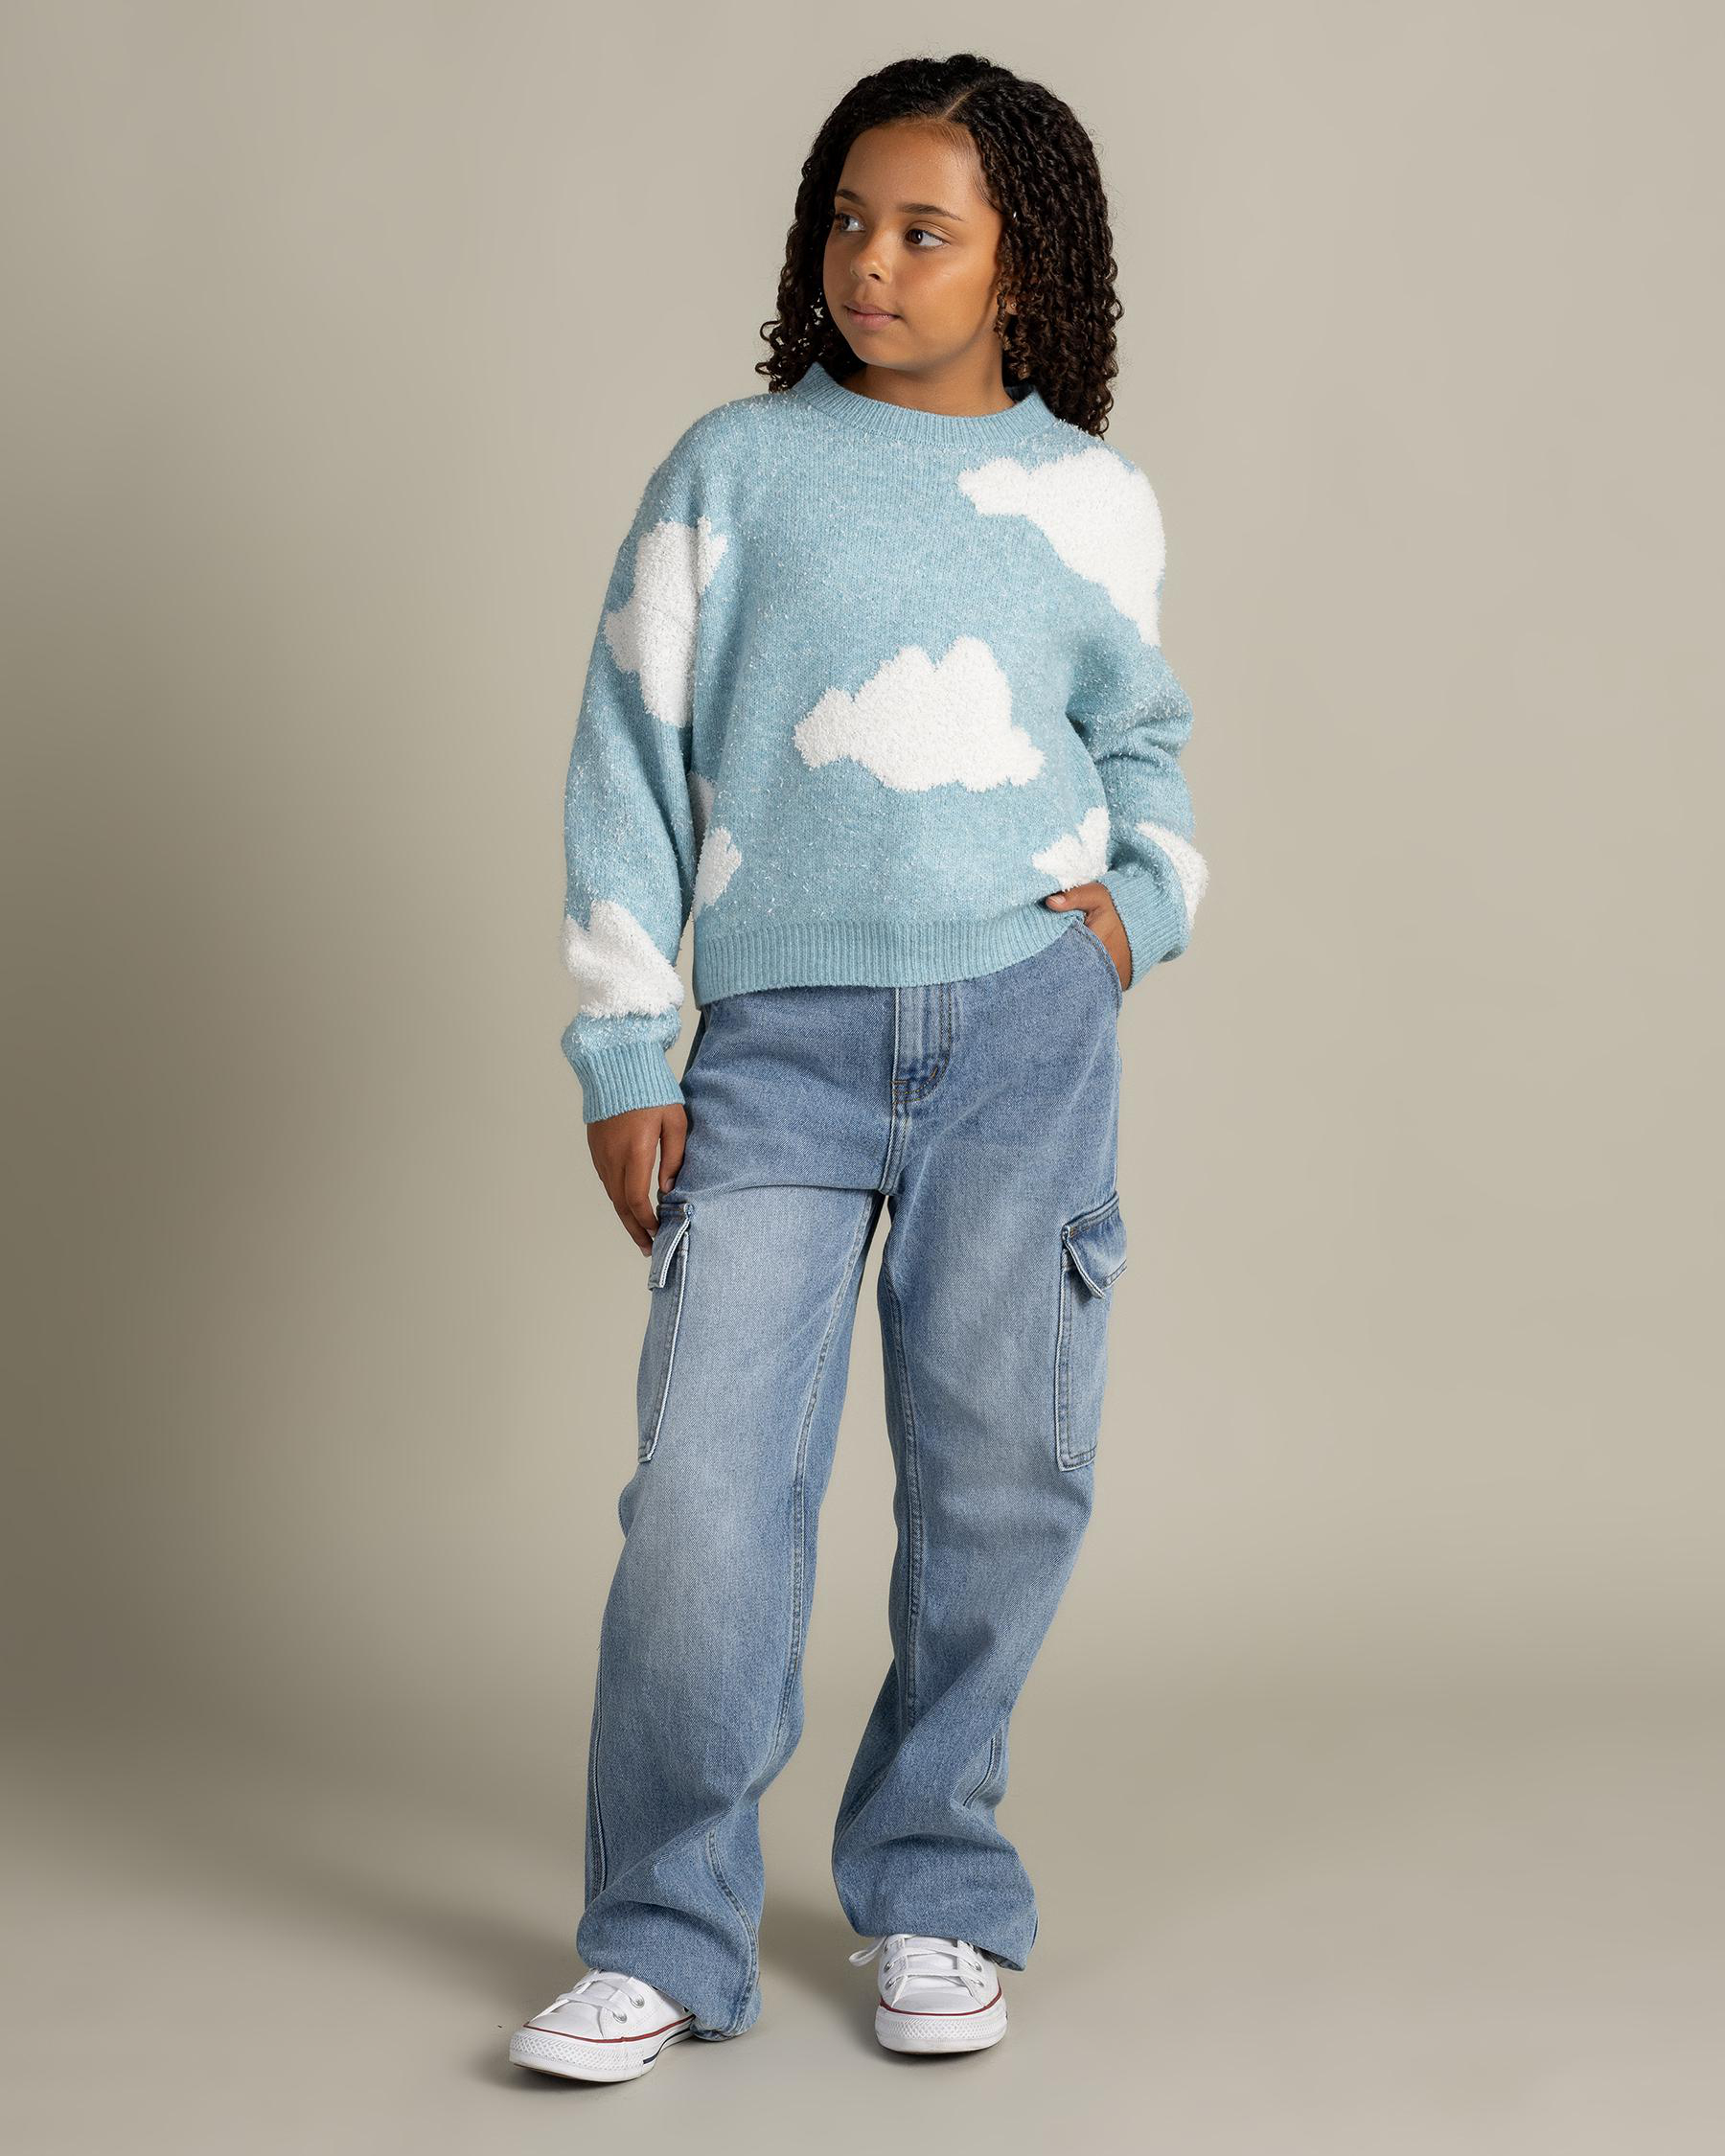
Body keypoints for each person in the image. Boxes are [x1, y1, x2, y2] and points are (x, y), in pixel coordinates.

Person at [509, 49, 1208, 2085]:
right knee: (706, 1495)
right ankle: (662, 1928)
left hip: (1023, 1036)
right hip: (778, 1053)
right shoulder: (731, 470)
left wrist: (1135, 912)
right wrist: (623, 1046)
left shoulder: (1093, 499)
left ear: (1022, 265)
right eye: (846, 218)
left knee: (1002, 1479)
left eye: (923, 231)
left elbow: (1145, 741)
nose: (870, 263)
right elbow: (626, 759)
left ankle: (934, 1884)